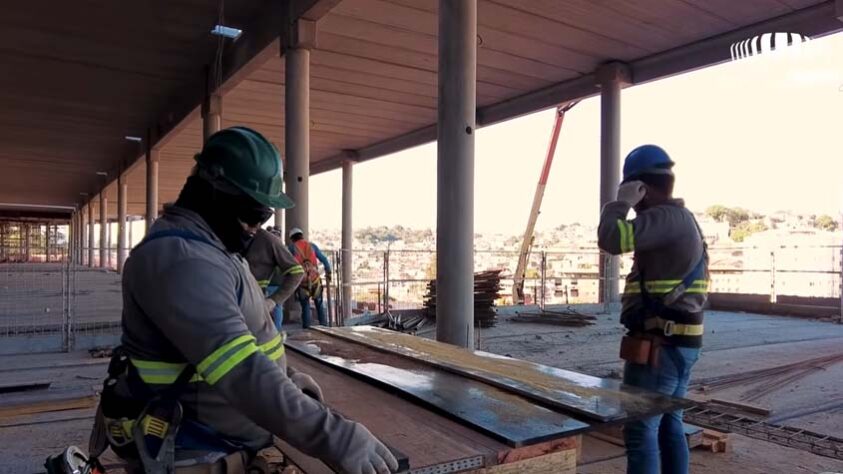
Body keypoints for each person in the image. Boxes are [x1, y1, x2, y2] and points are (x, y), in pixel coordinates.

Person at [91, 126, 398, 474]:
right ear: (212, 193)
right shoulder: (184, 261)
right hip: (198, 451)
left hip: (220, 444)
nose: (256, 228)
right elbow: (240, 371)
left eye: (263, 217)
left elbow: (249, 342)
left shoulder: (215, 250)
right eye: (254, 215)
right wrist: (336, 438)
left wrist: (288, 378)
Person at [597, 144, 709, 474]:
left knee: (640, 427)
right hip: (678, 342)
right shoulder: (681, 219)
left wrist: (619, 203)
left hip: (660, 345)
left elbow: (612, 239)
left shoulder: (663, 218)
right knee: (668, 424)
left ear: (640, 187)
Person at [243, 226, 303, 330]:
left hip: (258, 295)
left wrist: (273, 300)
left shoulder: (270, 241)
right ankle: (278, 329)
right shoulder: (311, 247)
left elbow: (296, 272)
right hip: (277, 284)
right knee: (279, 308)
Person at [287, 228, 332, 328]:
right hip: (315, 280)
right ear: (302, 235)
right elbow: (324, 259)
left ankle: (307, 330)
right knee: (319, 305)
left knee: (305, 306)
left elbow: (286, 262)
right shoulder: (312, 246)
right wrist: (328, 272)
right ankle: (324, 327)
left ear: (292, 238)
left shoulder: (291, 248)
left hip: (302, 282)